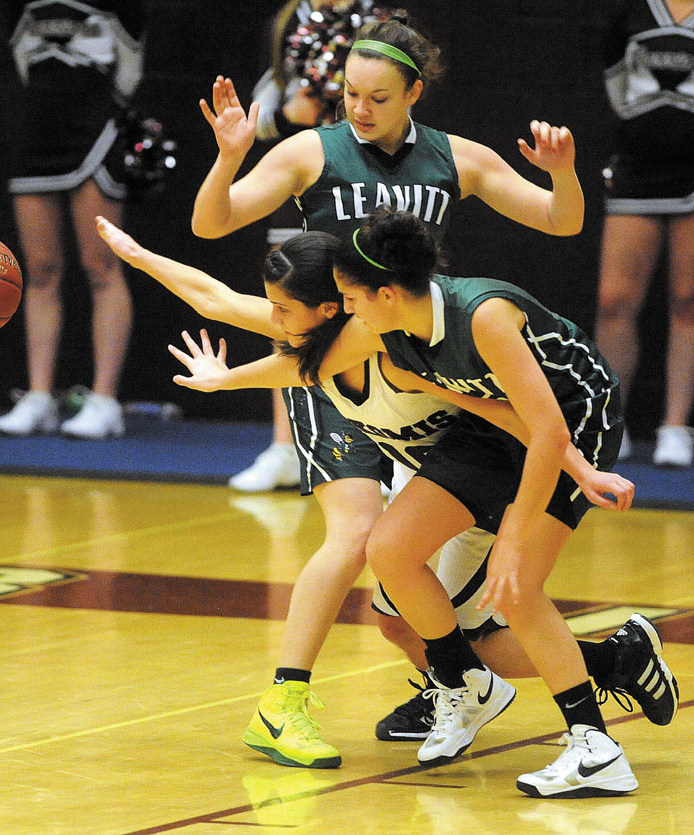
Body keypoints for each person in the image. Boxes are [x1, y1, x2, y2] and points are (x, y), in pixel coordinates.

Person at [97, 217, 678, 776]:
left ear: (349, 302)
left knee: (507, 595)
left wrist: (573, 472)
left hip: (529, 444)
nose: (271, 318)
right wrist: (139, 257)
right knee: (398, 610)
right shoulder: (353, 329)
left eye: (283, 309)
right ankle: (540, 672)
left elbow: (524, 419)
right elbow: (219, 303)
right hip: (469, 458)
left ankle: (586, 731)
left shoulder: (403, 338)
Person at [189, 9, 586, 763]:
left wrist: (563, 173)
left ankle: (458, 681)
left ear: (414, 94)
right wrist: (229, 157)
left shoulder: (455, 159)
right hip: (334, 368)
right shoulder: (313, 151)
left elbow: (561, 221)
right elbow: (213, 223)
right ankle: (284, 701)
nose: (358, 109)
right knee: (356, 537)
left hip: (416, 376)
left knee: (407, 584)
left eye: (376, 96)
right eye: (348, 94)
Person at [230, 0, 388, 492]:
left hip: (357, 184)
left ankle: (381, 451)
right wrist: (287, 114)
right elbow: (260, 116)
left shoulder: (380, 21)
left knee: (369, 314)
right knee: (289, 312)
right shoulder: (286, 20)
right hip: (297, 181)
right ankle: (284, 446)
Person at [0, 0, 144, 440]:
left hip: (97, 133)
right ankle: (38, 396)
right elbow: (23, 65)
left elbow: (131, 73)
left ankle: (104, 400)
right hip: (37, 132)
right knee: (38, 271)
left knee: (101, 266)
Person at [595, 0, 694, 466]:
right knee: (614, 300)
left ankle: (675, 426)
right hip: (636, 172)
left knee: (688, 298)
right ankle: (612, 423)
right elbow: (617, 89)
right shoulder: (630, 12)